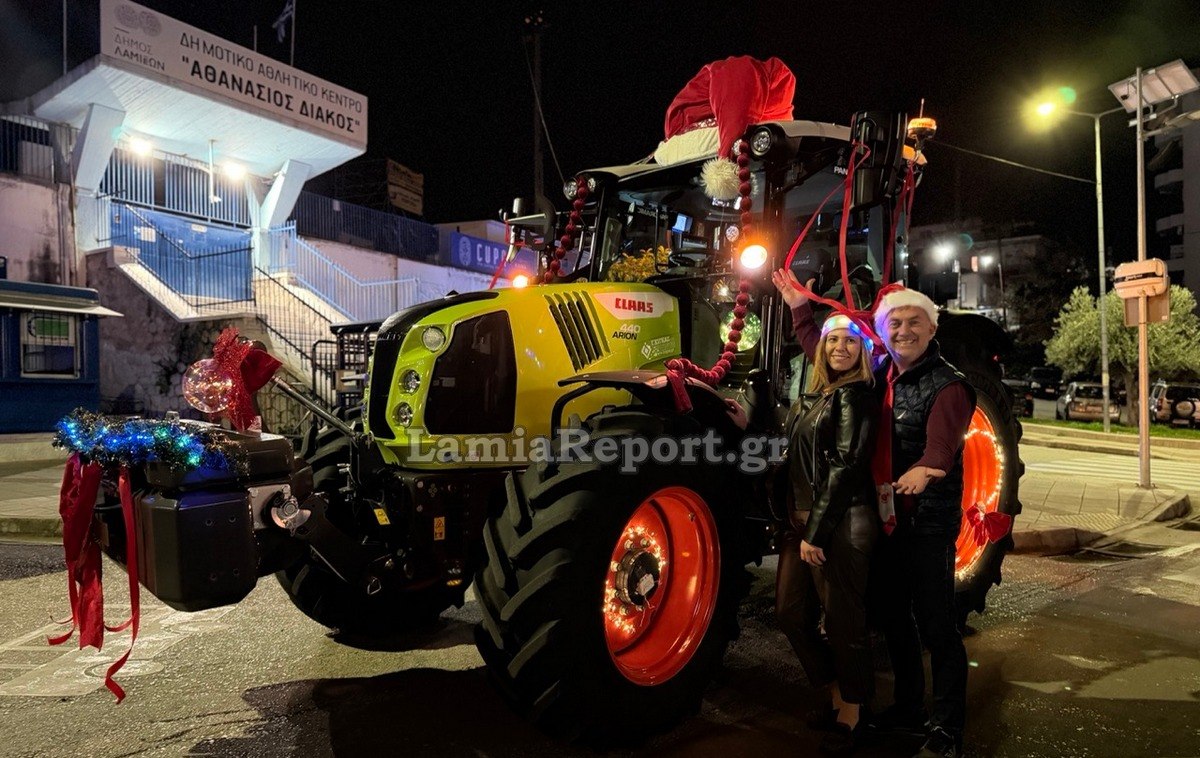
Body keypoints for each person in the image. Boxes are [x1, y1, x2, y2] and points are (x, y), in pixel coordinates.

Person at [773, 269, 880, 756]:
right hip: (803, 525)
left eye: (850, 341)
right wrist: (800, 308)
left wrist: (815, 532)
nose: (839, 346)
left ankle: (855, 713)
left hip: (840, 525)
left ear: (863, 351)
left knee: (842, 620)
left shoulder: (855, 395)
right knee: (790, 613)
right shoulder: (816, 395)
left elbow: (845, 466)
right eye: (833, 339)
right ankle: (836, 692)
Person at [866, 288, 975, 758]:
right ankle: (909, 707)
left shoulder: (948, 385)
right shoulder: (881, 374)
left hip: (928, 524)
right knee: (894, 618)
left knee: (937, 625)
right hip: (889, 520)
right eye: (895, 323)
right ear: (883, 331)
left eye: (914, 322)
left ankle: (948, 728)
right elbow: (825, 354)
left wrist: (927, 468)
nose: (904, 331)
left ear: (932, 328)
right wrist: (799, 310)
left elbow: (941, 445)